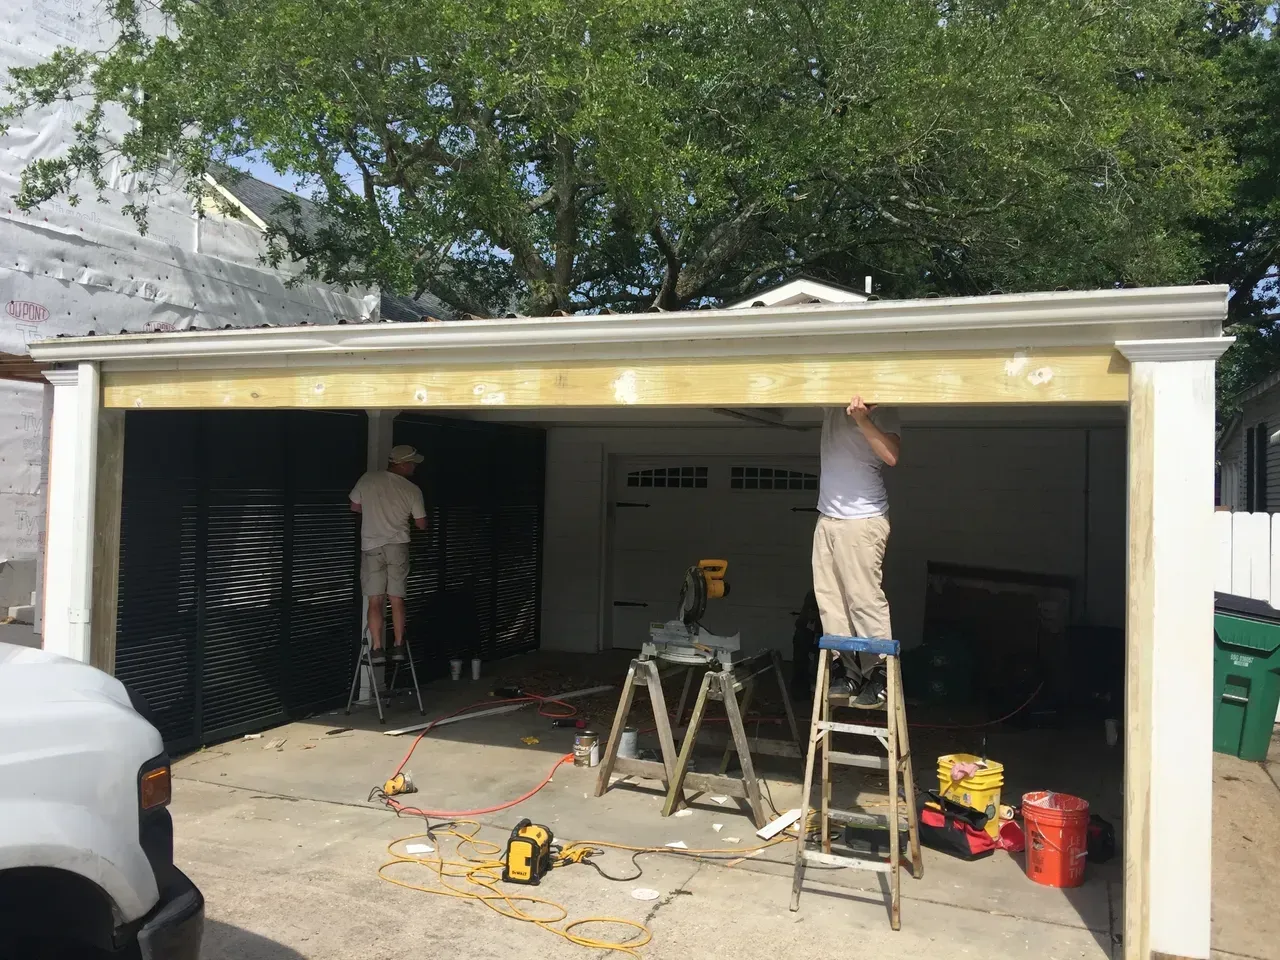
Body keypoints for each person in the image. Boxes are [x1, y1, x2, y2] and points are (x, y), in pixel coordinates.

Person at [811, 394, 901, 708]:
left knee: (863, 598)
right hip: (828, 518)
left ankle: (879, 674)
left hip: (863, 519)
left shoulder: (884, 408)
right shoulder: (831, 401)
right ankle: (845, 671)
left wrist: (862, 419)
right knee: (829, 598)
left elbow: (891, 456)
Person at [349, 444, 428, 665]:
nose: (414, 467)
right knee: (396, 598)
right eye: (412, 463)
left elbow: (354, 507)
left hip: (371, 546)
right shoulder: (412, 490)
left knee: (375, 599)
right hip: (398, 546)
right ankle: (399, 645)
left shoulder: (368, 479)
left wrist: (373, 512)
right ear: (402, 464)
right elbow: (421, 524)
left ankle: (376, 649)